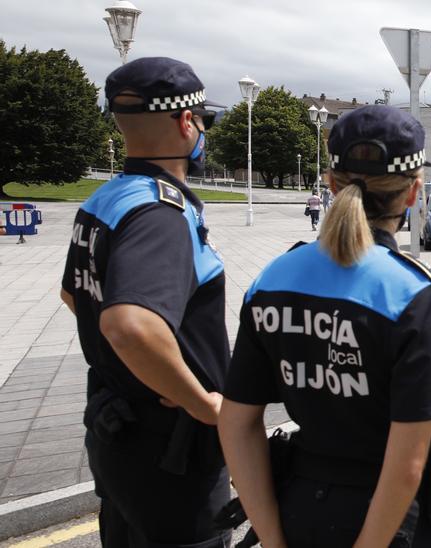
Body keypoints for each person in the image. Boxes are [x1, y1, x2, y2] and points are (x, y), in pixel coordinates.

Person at [219, 105, 431, 548]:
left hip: (298, 510)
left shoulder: (273, 279)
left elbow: (236, 423)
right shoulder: (417, 293)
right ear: (414, 193)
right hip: (387, 522)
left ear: (331, 185)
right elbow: (407, 460)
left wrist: (275, 539)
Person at [59, 57, 230, 548]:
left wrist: (136, 371)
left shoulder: (106, 199)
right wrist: (201, 403)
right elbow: (129, 325)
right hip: (171, 451)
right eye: (203, 121)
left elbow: (74, 293)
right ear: (185, 122)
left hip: (118, 433)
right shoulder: (159, 214)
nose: (202, 131)